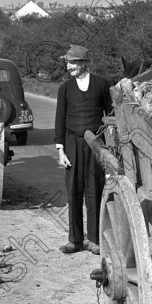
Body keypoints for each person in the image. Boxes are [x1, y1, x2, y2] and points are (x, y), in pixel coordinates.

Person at [53, 45, 113, 255]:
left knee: (95, 190)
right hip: (72, 143)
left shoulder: (102, 85)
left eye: (73, 63)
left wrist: (110, 147)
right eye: (68, 63)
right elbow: (59, 119)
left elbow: (111, 115)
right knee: (74, 192)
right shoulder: (65, 88)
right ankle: (75, 240)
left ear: (84, 63)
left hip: (96, 144)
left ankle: (95, 240)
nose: (69, 67)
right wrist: (61, 150)